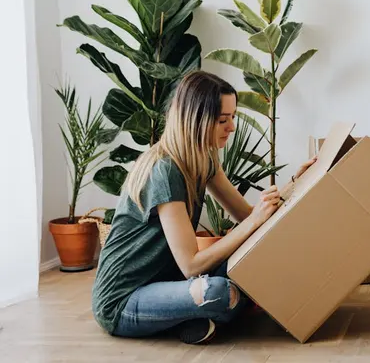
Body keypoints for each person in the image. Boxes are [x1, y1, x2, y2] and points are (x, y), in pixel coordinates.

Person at [91, 70, 317, 344]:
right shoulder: (164, 169)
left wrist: (294, 184)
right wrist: (254, 221)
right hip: (123, 301)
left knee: (252, 262)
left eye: (233, 117)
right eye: (223, 119)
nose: (231, 127)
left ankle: (188, 318)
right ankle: (190, 314)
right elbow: (191, 265)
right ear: (196, 120)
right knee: (219, 292)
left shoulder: (204, 160)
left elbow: (249, 216)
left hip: (169, 284)